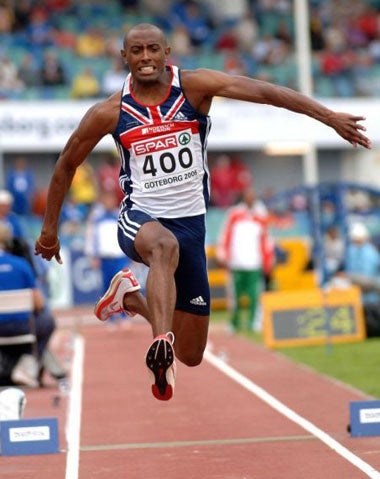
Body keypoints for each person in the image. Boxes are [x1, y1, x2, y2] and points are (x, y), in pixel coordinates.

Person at [34, 23, 371, 401]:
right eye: (137, 51)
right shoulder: (110, 112)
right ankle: (159, 342)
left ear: (166, 54)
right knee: (162, 247)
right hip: (140, 218)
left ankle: (129, 298)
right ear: (124, 57)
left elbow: (266, 92)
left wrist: (329, 118)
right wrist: (49, 230)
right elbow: (66, 164)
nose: (145, 57)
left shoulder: (195, 87)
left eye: (153, 49)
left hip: (192, 227)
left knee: (191, 354)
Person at [0, 221, 57, 388]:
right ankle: (29, 362)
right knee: (47, 320)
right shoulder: (22, 265)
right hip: (22, 327)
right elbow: (38, 303)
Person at [216, 187, 274, 332]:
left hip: (255, 262)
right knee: (234, 295)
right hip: (236, 262)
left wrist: (268, 260)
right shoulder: (234, 214)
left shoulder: (261, 216)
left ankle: (254, 322)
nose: (251, 198)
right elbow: (225, 235)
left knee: (255, 295)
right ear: (243, 197)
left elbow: (266, 240)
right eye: (248, 196)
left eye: (253, 196)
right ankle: (234, 323)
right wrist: (222, 254)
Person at [84, 190, 131, 327]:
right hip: (105, 258)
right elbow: (90, 238)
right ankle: (110, 318)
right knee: (107, 289)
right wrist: (92, 255)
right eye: (106, 198)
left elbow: (127, 235)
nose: (108, 201)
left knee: (123, 287)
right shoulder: (96, 217)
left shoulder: (120, 215)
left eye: (110, 198)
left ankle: (124, 316)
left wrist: (131, 253)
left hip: (119, 257)